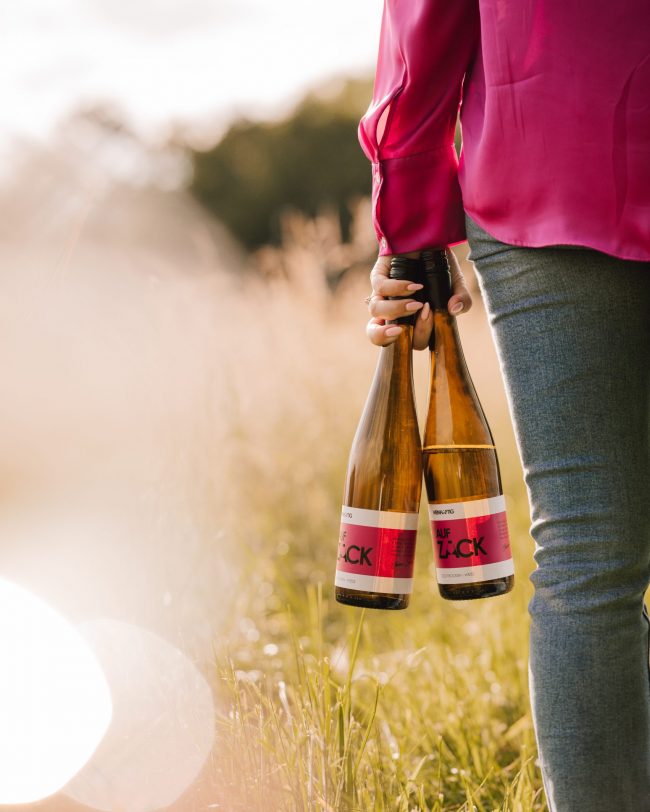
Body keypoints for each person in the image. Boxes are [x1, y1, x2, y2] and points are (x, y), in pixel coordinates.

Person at [358, 1, 650, 810]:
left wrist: (410, 214)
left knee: (589, 552)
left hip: (554, 147)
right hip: (554, 160)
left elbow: (424, 21)